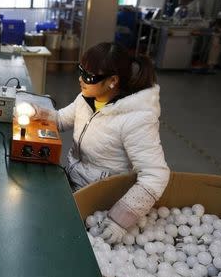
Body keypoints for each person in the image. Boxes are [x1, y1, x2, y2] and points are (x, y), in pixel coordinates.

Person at [56, 42, 170, 244]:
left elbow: (155, 175)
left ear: (113, 81)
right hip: (73, 184)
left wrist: (119, 220)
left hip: (100, 202)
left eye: (89, 76)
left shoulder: (137, 118)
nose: (80, 79)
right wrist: (36, 113)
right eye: (80, 70)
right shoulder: (87, 98)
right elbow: (61, 119)